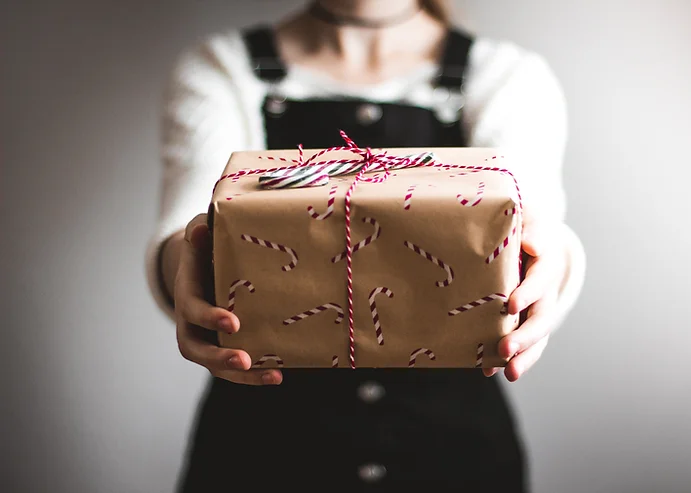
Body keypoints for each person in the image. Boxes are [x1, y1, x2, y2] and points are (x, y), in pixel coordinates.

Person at [145, 0, 586, 491]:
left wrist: (554, 262)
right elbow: (190, 223)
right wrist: (185, 268)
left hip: (453, 458)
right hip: (263, 458)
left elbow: (535, 221)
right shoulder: (222, 68)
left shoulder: (506, 75)